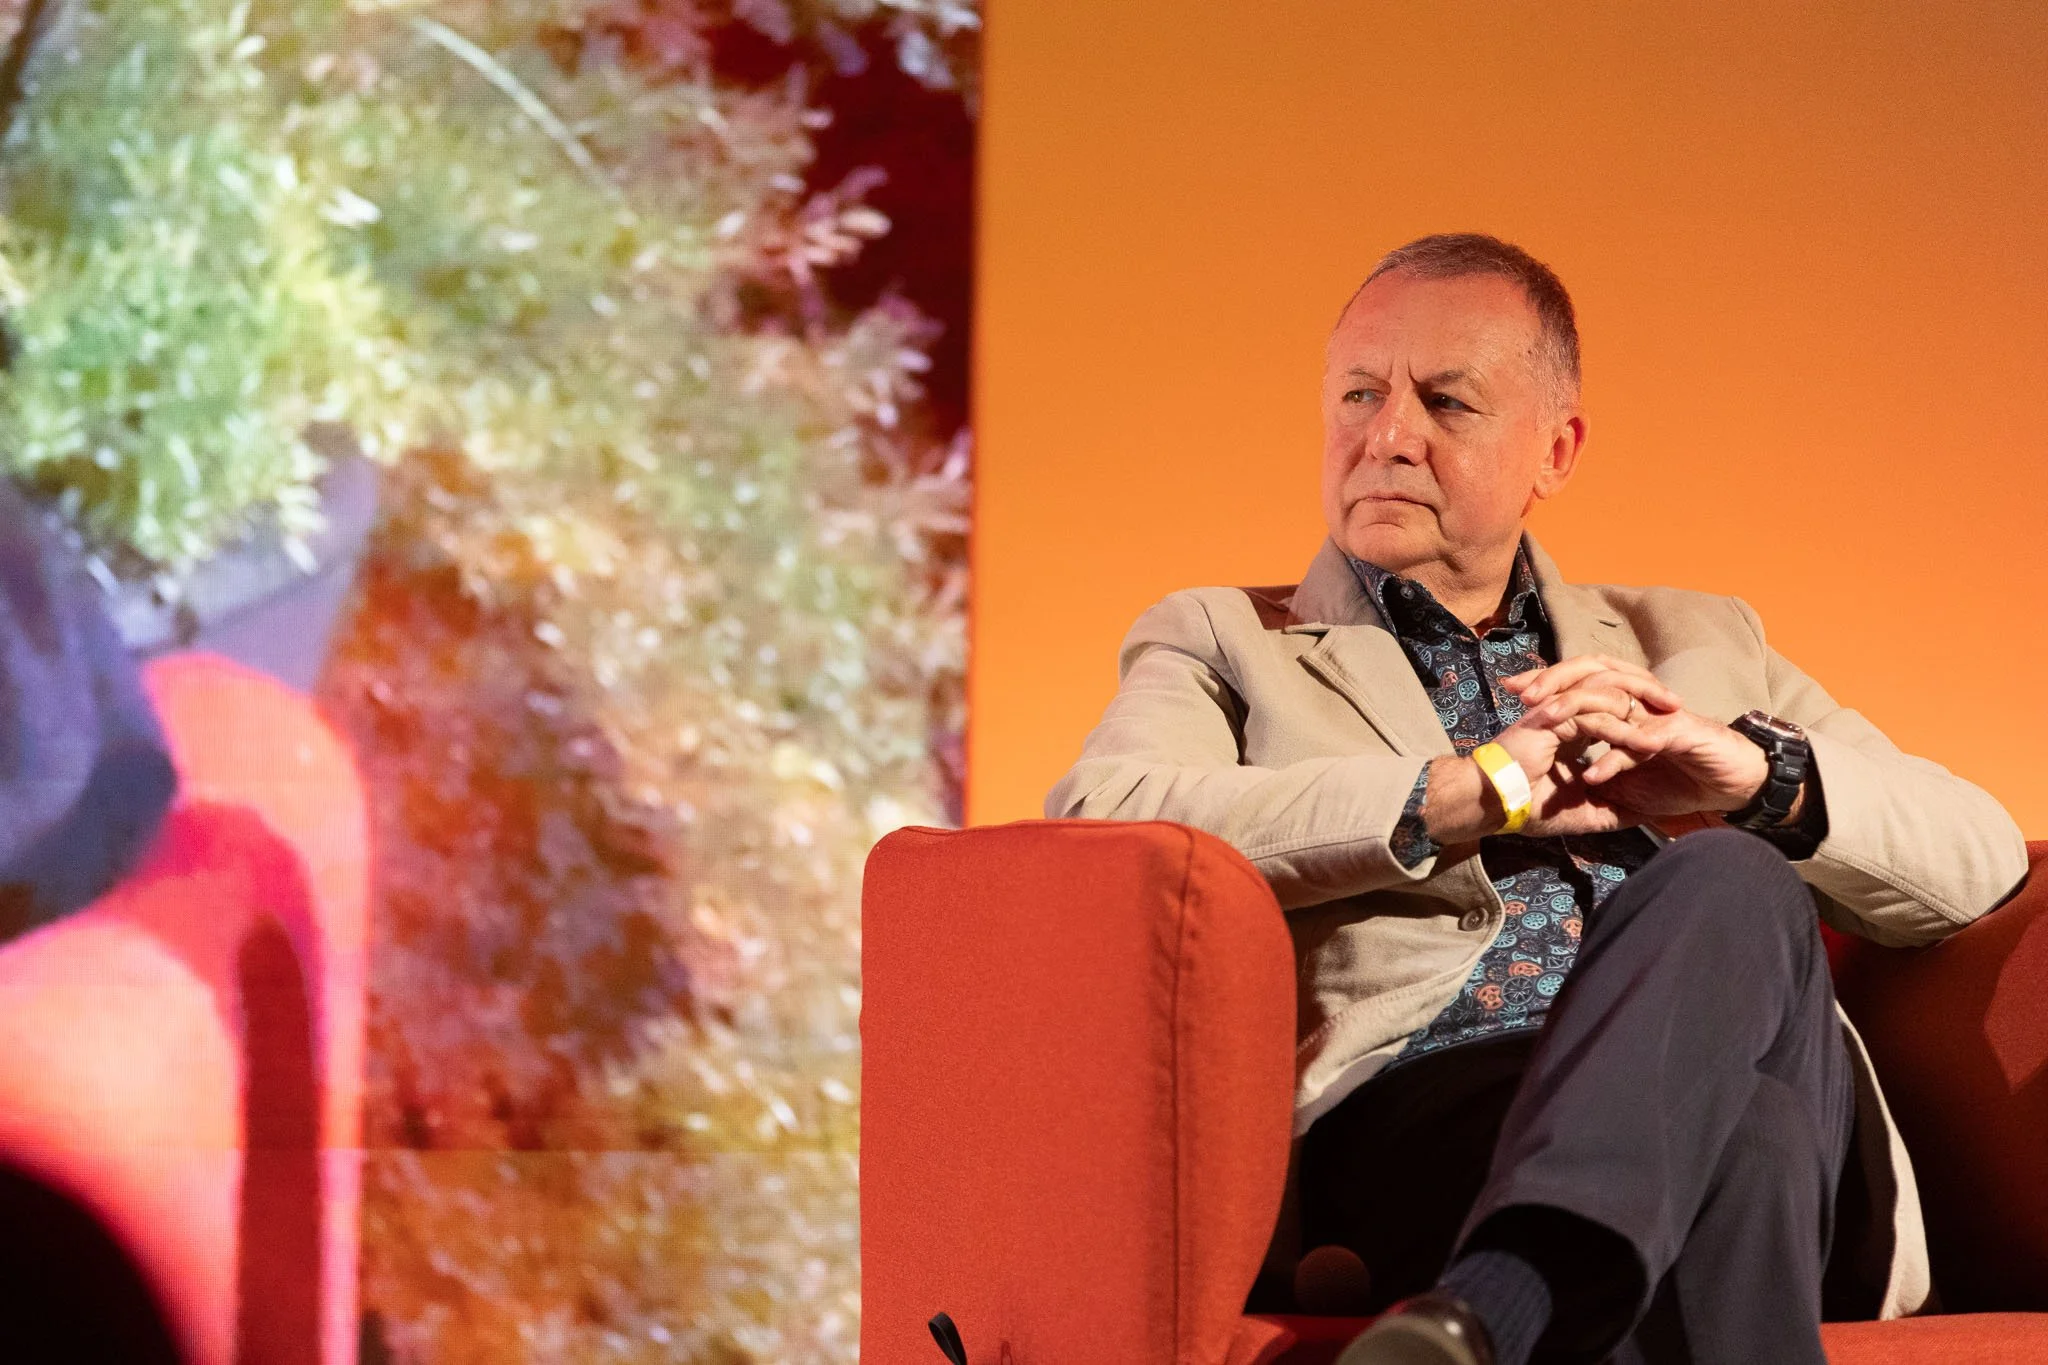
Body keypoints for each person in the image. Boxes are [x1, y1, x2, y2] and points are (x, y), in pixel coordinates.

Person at [1044, 233, 2028, 1365]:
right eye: (1359, 394)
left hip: (1780, 1117)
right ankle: (1532, 1272)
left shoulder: (1699, 642)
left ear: (1552, 450)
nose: (1386, 437)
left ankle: (1506, 1296)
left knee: (1729, 870)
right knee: (1736, 1146)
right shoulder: (1227, 639)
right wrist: (1467, 791)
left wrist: (1748, 778)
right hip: (1438, 1112)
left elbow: (1981, 860)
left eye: (1445, 403)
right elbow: (1107, 826)